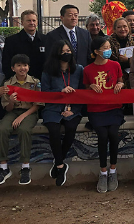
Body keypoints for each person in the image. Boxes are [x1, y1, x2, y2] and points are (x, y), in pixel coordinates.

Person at [0, 54, 42, 186]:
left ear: (28, 67)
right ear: (13, 68)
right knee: (2, 129)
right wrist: (11, 102)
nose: (22, 68)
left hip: (29, 112)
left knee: (24, 130)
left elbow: (37, 105)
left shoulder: (35, 82)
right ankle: (3, 167)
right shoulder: (8, 84)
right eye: (19, 65)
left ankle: (25, 167)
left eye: (25, 65)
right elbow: (7, 109)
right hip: (13, 112)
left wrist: (22, 116)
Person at [84, 37, 125, 193]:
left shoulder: (115, 65)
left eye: (109, 47)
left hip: (114, 108)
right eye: (105, 48)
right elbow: (86, 87)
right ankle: (103, 172)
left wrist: (120, 84)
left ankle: (113, 170)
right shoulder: (87, 69)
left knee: (113, 134)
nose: (108, 50)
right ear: (96, 51)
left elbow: (121, 81)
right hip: (96, 109)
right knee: (102, 135)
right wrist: (91, 86)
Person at [41, 40, 84, 187]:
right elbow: (44, 93)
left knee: (71, 127)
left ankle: (58, 162)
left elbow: (83, 92)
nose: (66, 54)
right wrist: (60, 92)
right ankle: (60, 165)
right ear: (56, 54)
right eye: (63, 52)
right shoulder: (48, 71)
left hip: (73, 108)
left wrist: (73, 110)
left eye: (68, 51)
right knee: (53, 129)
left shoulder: (79, 69)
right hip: (53, 108)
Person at [1, 10, 47, 79]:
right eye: (28, 21)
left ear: (37, 22)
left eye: (34, 20)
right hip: (20, 83)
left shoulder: (45, 39)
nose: (32, 23)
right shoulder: (11, 41)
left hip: (42, 81)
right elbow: (6, 64)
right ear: (22, 22)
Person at [108, 17, 134, 88]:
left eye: (125, 26)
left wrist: (128, 60)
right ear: (114, 29)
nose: (122, 29)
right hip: (117, 80)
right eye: (119, 27)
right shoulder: (108, 43)